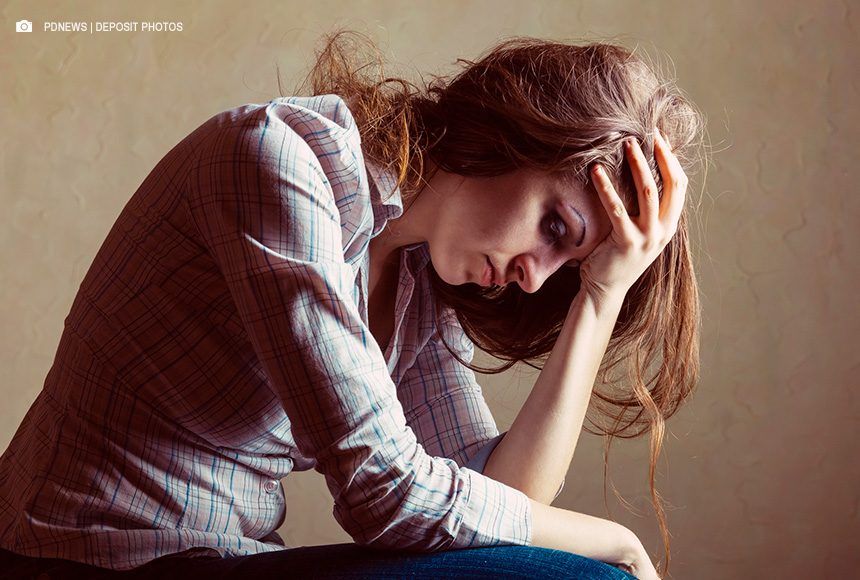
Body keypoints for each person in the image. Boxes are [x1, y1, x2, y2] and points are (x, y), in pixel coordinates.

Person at [0, 31, 704, 579]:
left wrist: (601, 294)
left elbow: (500, 498)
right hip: (85, 556)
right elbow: (385, 497)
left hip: (227, 557)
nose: (531, 279)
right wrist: (613, 540)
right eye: (555, 227)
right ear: (513, 131)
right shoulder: (274, 162)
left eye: (564, 269)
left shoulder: (418, 279)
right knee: (578, 579)